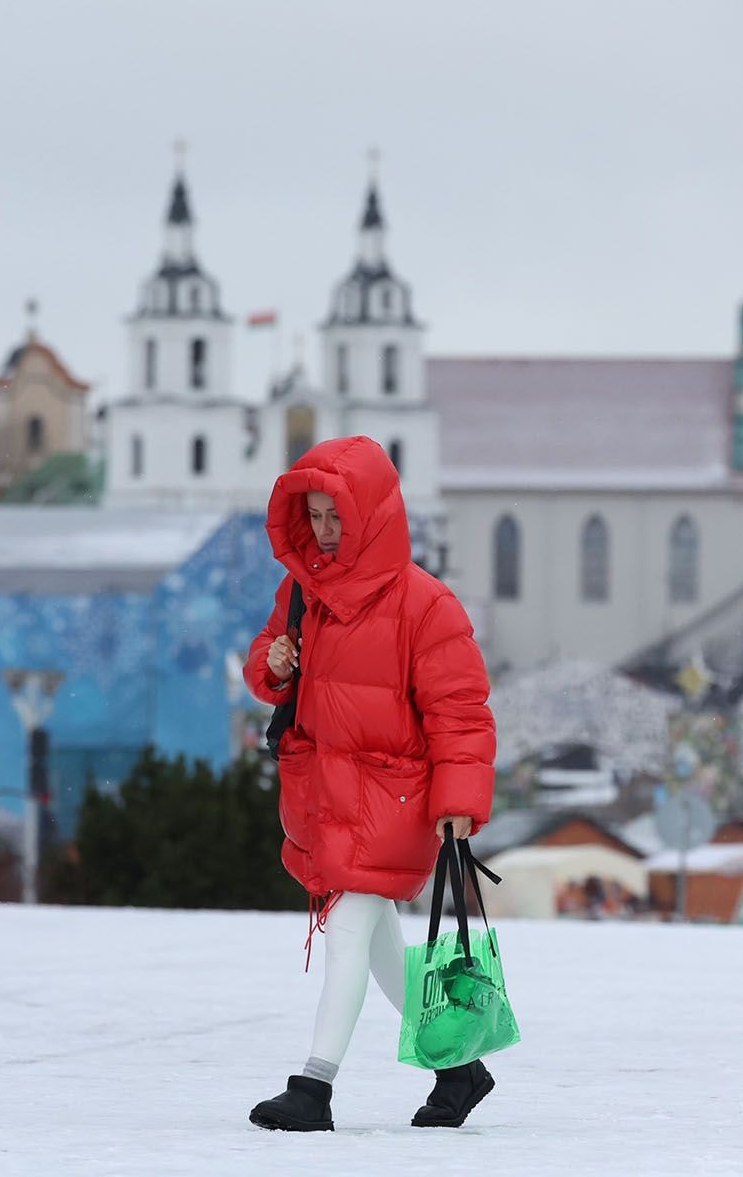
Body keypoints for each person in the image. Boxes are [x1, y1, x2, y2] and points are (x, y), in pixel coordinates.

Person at [243, 436, 497, 1133]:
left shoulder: (425, 605)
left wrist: (458, 802)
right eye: (315, 515)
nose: (325, 531)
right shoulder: (302, 591)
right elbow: (265, 663)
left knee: (348, 929)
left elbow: (460, 711)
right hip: (325, 792)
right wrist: (276, 663)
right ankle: (459, 1069)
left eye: (338, 517)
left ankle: (313, 1087)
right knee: (378, 938)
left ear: (373, 516)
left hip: (394, 799)